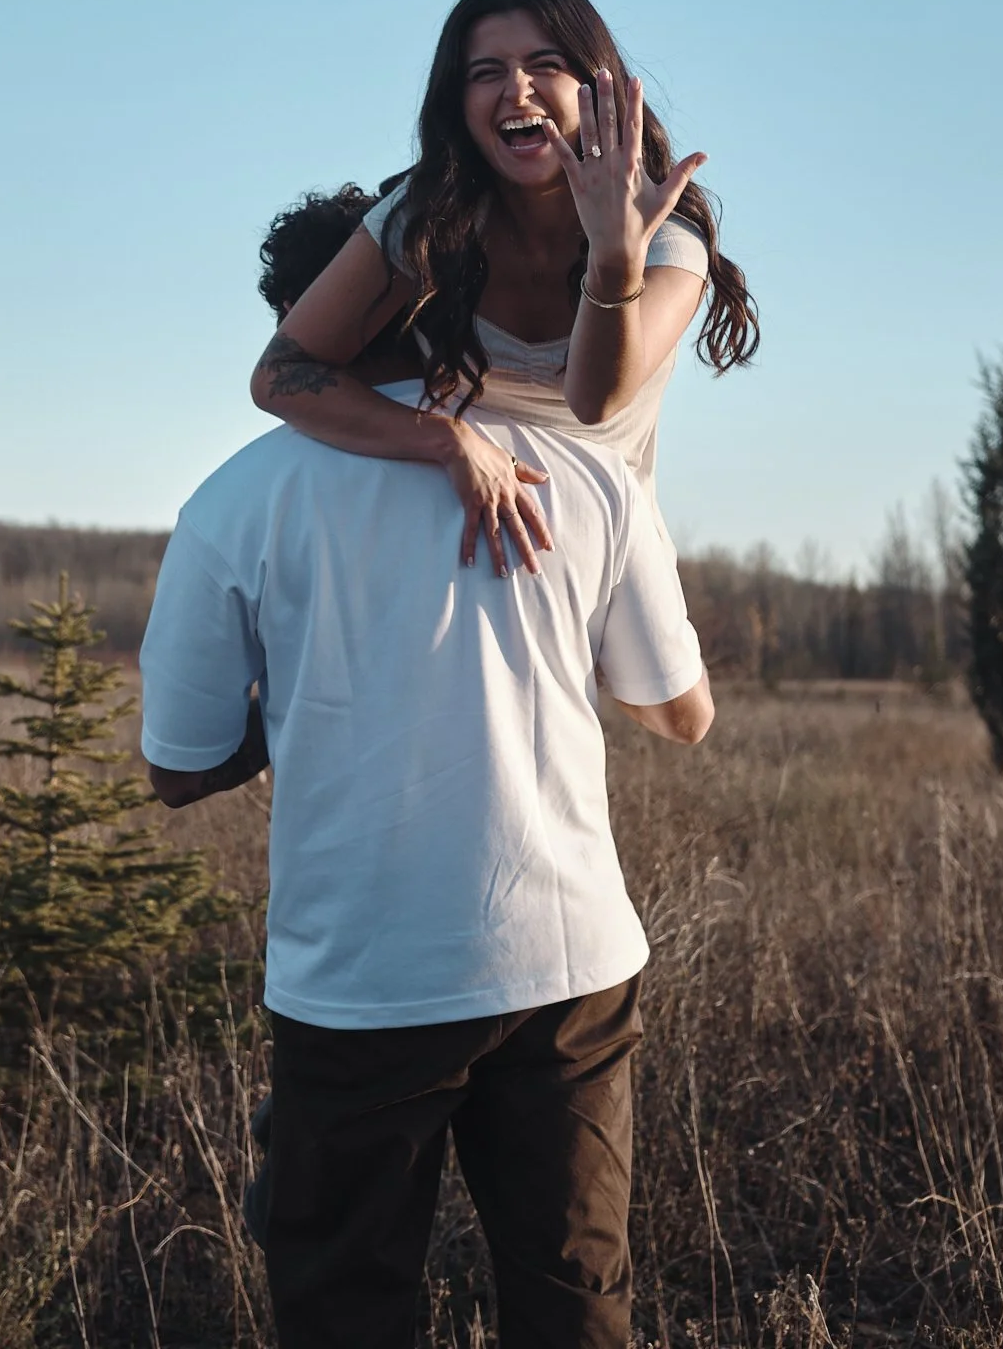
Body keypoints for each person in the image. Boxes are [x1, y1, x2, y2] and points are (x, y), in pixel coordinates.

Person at [140, 186, 715, 1349]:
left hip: (359, 973)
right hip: (566, 961)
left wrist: (292, 709)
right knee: (574, 1300)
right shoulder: (586, 470)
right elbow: (679, 711)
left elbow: (177, 765)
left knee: (344, 1304)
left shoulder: (231, 501)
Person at [249, 0, 758, 571]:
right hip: (465, 554)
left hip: (615, 575)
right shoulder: (422, 225)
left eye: (545, 64)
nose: (517, 91)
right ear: (457, 104)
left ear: (598, 87)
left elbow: (595, 400)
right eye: (485, 73)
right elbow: (279, 374)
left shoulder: (668, 246)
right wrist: (447, 440)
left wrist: (614, 259)